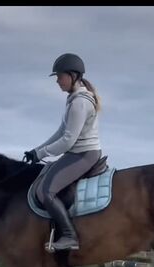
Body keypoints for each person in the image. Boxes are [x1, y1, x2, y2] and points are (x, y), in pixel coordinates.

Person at [24, 53, 102, 252]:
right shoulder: (73, 99)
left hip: (84, 154)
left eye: (60, 76)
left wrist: (41, 155)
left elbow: (68, 141)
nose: (57, 81)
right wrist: (37, 150)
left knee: (45, 192)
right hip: (76, 153)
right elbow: (60, 132)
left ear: (73, 75)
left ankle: (69, 236)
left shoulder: (80, 102)